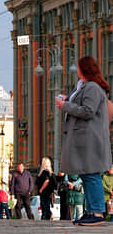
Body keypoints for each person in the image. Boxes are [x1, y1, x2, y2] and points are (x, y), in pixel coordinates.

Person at [55, 56, 112, 226]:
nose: (77, 69)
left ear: (84, 69)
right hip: (84, 140)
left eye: (79, 67)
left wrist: (65, 106)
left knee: (92, 175)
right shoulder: (85, 86)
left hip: (90, 140)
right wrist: (68, 101)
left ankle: (97, 212)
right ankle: (91, 211)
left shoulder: (92, 87)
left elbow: (88, 111)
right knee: (87, 175)